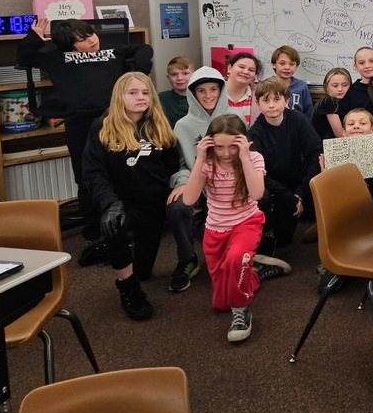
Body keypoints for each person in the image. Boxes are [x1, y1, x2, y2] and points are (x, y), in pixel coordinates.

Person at [18, 16, 153, 264]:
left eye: (91, 34)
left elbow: (142, 48)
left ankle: (122, 224)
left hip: (114, 121)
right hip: (80, 124)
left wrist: (140, 66)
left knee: (122, 171)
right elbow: (24, 57)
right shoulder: (56, 56)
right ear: (69, 46)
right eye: (82, 40)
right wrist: (33, 38)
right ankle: (94, 230)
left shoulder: (112, 51)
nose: (92, 40)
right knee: (87, 176)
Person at [181, 114, 289, 343]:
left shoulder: (254, 158)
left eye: (232, 146)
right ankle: (253, 270)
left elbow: (258, 194)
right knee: (221, 302)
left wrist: (244, 157)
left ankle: (242, 311)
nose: (226, 153)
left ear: (242, 141)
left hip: (246, 223)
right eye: (219, 147)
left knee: (236, 264)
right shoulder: (208, 163)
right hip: (216, 229)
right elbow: (189, 199)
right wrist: (200, 159)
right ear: (210, 143)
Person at [82, 72, 181, 320]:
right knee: (116, 230)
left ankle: (108, 249)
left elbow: (170, 165)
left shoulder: (159, 124)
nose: (141, 97)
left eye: (145, 92)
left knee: (144, 271)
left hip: (151, 203)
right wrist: (109, 204)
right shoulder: (102, 127)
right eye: (133, 93)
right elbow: (93, 173)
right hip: (118, 202)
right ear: (120, 96)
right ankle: (128, 288)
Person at [169, 65, 231, 292]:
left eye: (213, 89)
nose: (208, 95)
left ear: (221, 91)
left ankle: (246, 253)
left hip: (230, 184)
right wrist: (183, 182)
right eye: (201, 91)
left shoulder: (235, 120)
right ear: (193, 95)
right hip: (198, 185)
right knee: (177, 207)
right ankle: (187, 259)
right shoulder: (182, 125)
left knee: (261, 196)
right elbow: (182, 164)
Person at [248, 77, 323, 250]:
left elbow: (316, 152)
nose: (272, 105)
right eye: (266, 100)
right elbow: (260, 173)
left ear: (286, 101)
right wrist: (289, 197)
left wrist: (301, 193)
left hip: (299, 182)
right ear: (258, 104)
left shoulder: (298, 120)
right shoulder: (255, 132)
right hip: (274, 187)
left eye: (277, 99)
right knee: (282, 241)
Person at [270, 45, 313, 119]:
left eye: (292, 64)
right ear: (274, 65)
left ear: (296, 66)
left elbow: (308, 111)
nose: (287, 67)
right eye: (282, 63)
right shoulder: (267, 86)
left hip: (298, 128)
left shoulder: (301, 86)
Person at [311, 67, 352, 139]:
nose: (340, 89)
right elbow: (339, 134)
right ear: (327, 87)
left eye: (345, 85)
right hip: (323, 144)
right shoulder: (328, 101)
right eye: (335, 86)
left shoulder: (346, 100)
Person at [224, 51, 262, 127]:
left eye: (251, 70)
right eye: (241, 67)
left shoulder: (260, 97)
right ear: (229, 68)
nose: (245, 72)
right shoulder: (214, 92)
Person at [342, 46, 373, 119]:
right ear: (355, 66)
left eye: (371, 61)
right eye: (361, 63)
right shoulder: (351, 92)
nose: (367, 66)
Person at [158, 56, 193, 127]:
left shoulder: (200, 97)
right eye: (174, 74)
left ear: (193, 75)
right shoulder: (161, 99)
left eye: (185, 73)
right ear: (168, 77)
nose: (179, 78)